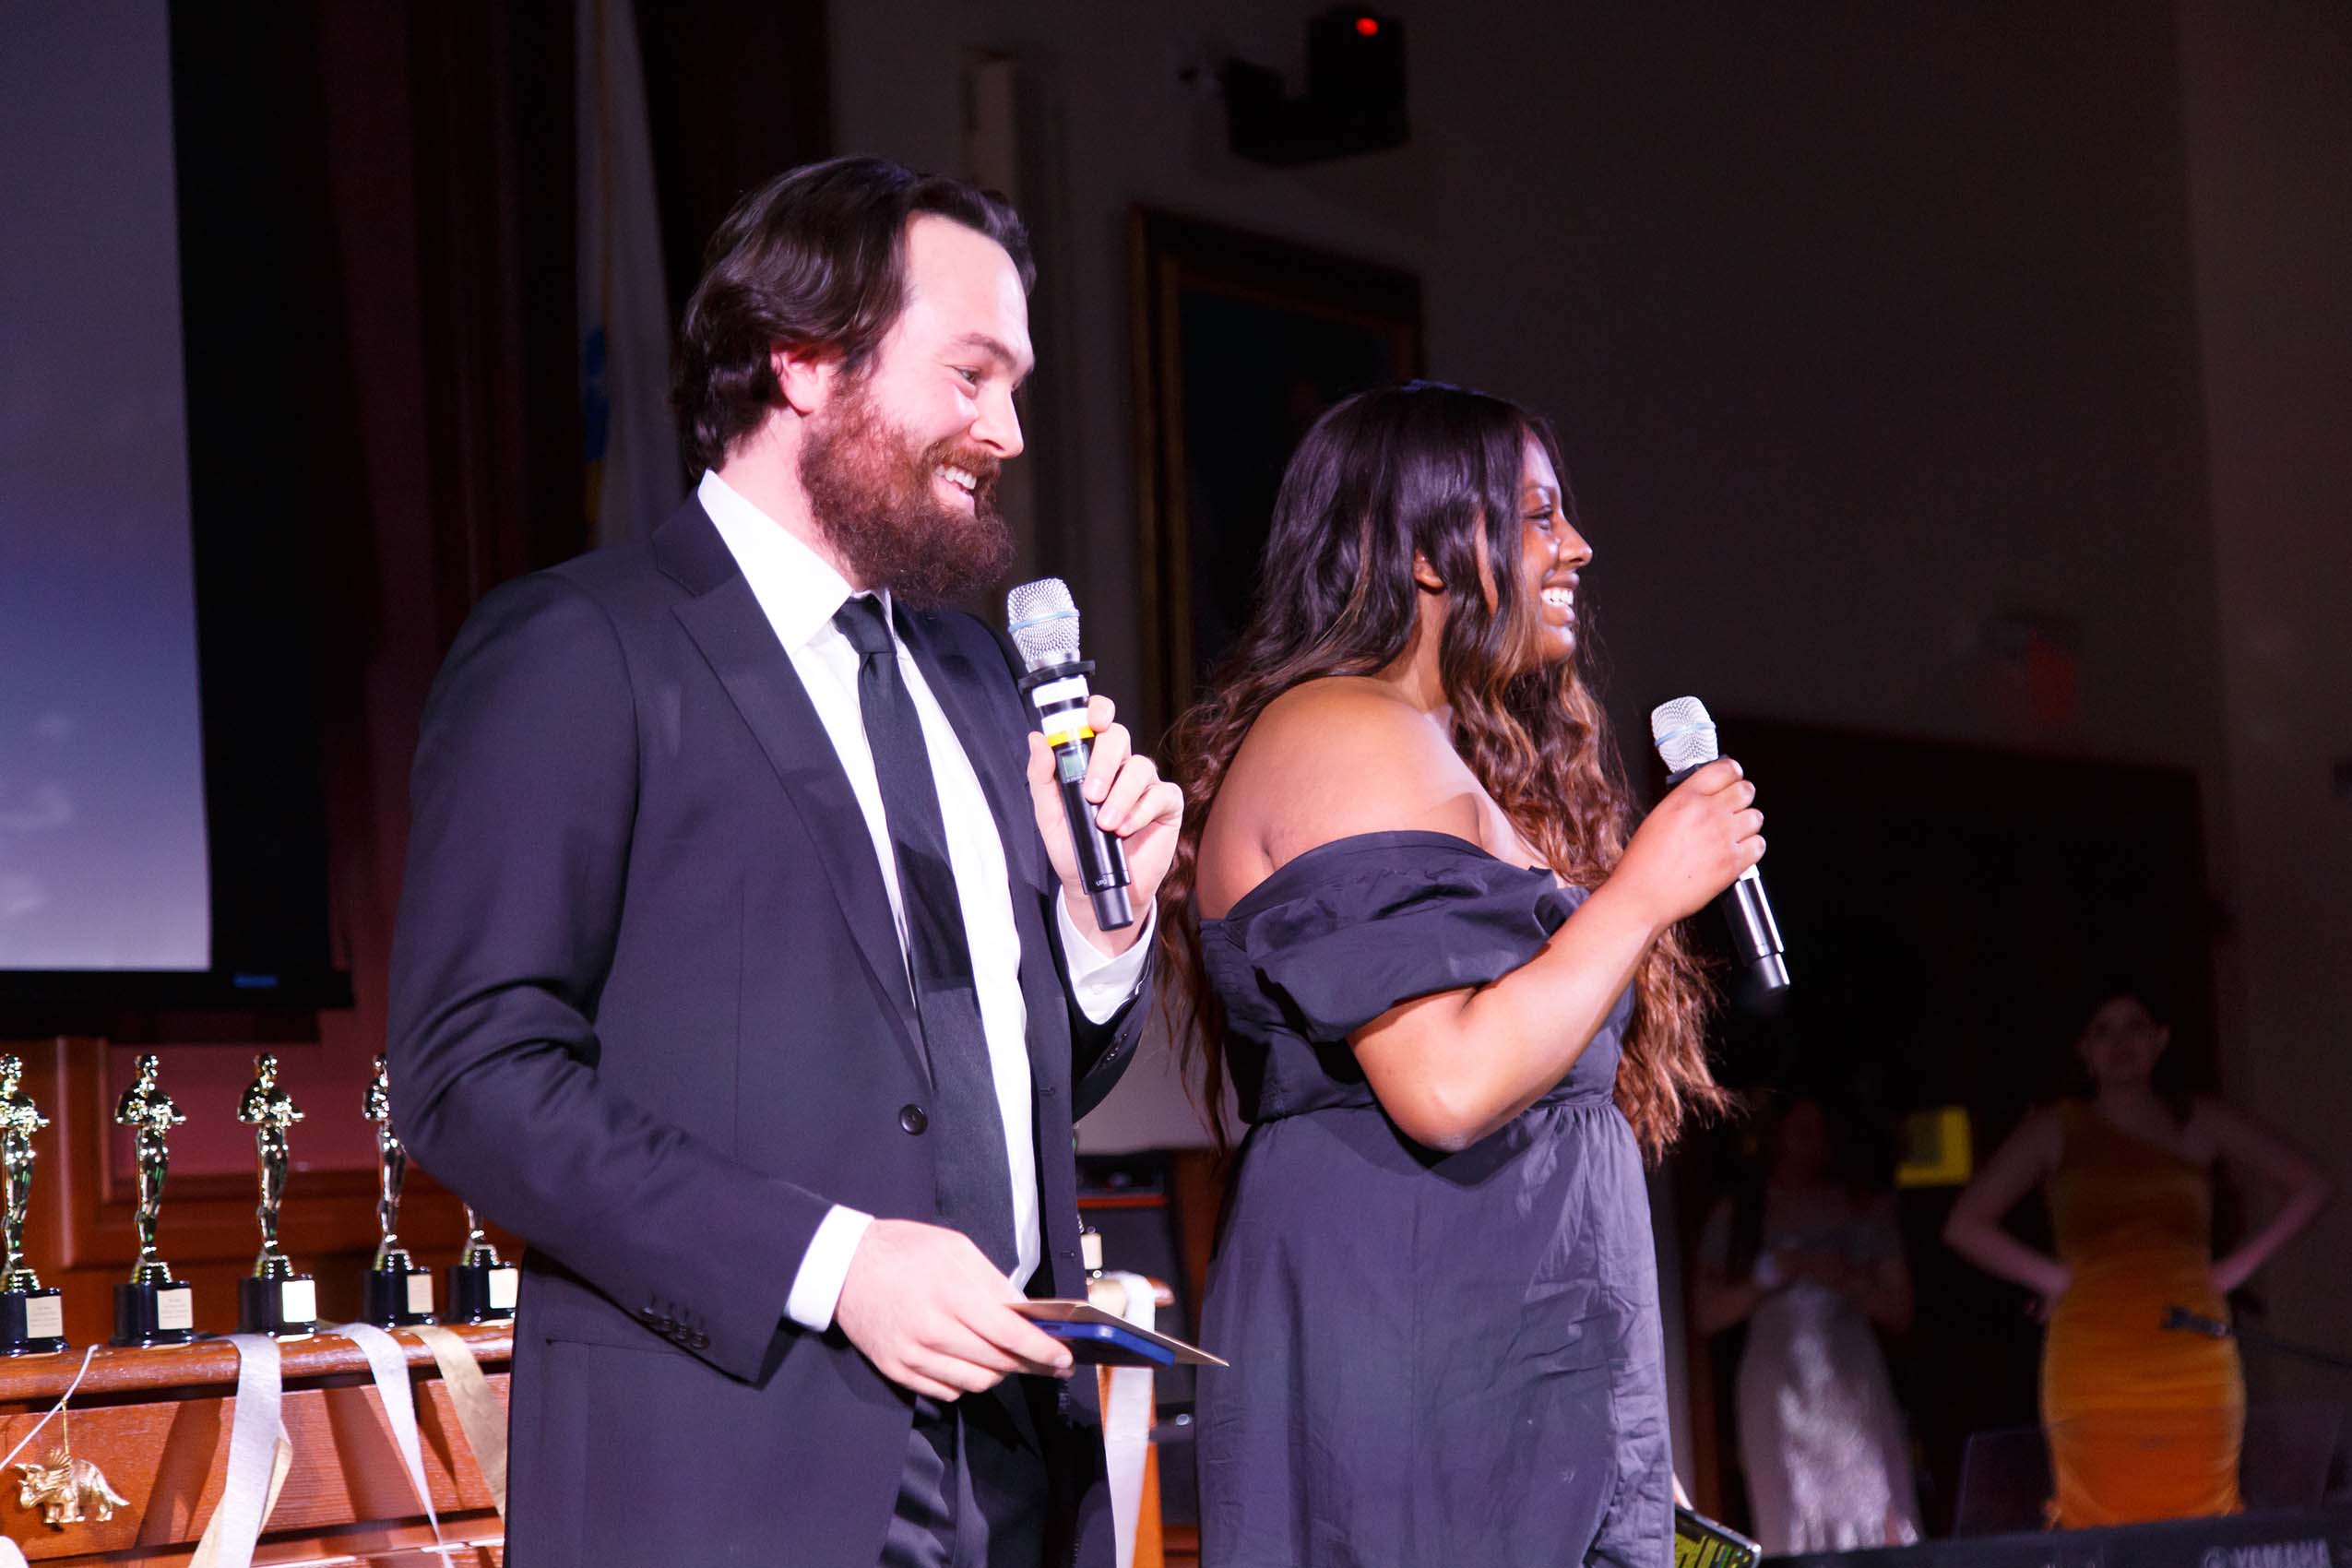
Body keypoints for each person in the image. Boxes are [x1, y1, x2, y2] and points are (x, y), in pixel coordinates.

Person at [389, 157, 1182, 1567]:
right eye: (970, 375)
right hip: (727, 1465)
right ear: (805, 362)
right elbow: (472, 1077)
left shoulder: (975, 677)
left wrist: (1095, 932)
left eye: (1015, 387)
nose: (1004, 431)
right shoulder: (582, 648)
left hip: (1010, 1456)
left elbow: (993, 1088)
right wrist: (833, 1264)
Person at [1163, 381, 1758, 1567]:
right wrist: (1642, 891)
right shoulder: (1339, 729)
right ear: (1429, 555)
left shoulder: (1435, 747)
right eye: (1536, 515)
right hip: (1416, 1364)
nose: (1575, 545)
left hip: (1511, 1376)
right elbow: (1444, 1081)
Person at [1942, 988, 2331, 1527]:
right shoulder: (2055, 1127)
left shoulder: (2198, 1120)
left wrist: (2234, 1269)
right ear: (2084, 1049)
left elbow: (2311, 1185)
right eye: (2103, 1030)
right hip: (2093, 1352)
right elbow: (1965, 1224)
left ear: (2160, 1039)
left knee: (2201, 1507)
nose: (2120, 1042)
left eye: (2134, 1026)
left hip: (2191, 1350)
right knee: (2101, 1512)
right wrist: (2052, 1278)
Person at [1693, 1095, 1922, 1552]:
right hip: (1779, 1388)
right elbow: (1706, 1313)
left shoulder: (1862, 1206)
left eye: (1821, 1131)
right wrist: (1767, 1277)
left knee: (1876, 1499)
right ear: (1776, 1135)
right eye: (1799, 1130)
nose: (1811, 1143)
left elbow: (1900, 1310)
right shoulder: (1741, 1213)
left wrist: (1845, 1279)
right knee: (1793, 1509)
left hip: (1852, 1384)